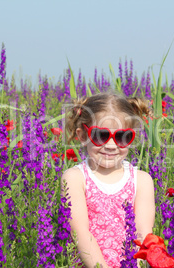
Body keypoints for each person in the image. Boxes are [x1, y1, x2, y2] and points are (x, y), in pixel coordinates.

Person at [62, 92, 156, 268]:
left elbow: (144, 235)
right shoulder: (75, 178)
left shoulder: (142, 181)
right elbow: (81, 233)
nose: (111, 145)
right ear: (82, 136)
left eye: (122, 137)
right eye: (100, 135)